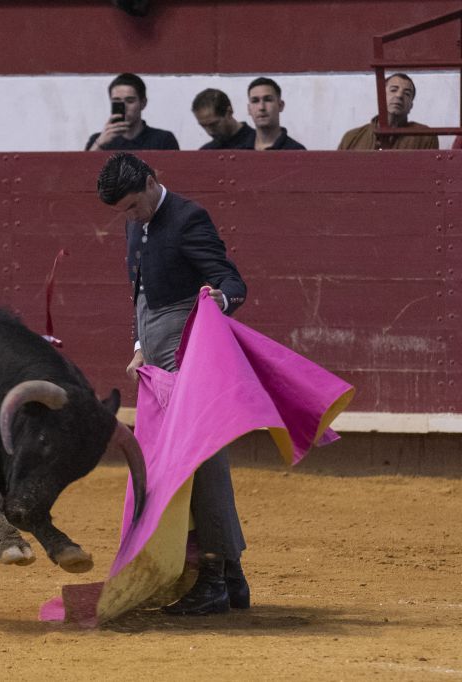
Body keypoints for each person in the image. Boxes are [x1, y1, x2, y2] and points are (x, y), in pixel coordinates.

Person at [97, 152, 250, 615]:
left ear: (151, 181)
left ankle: (213, 578)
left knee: (200, 463)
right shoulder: (134, 222)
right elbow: (140, 292)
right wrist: (139, 343)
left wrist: (219, 300)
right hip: (158, 364)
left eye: (132, 206)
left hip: (189, 358)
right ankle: (231, 578)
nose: (129, 216)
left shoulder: (187, 217)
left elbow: (231, 280)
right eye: (122, 210)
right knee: (173, 468)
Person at [338, 73, 439, 150]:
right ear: (381, 97)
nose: (399, 96)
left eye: (407, 94)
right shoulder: (352, 138)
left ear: (411, 105)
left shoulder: (424, 136)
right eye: (393, 90)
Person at [85, 73, 180, 151]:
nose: (124, 107)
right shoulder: (98, 140)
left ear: (143, 103)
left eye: (130, 101)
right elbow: (81, 172)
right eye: (117, 101)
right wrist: (99, 144)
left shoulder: (163, 140)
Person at [246, 77, 306, 150]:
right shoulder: (238, 150)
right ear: (249, 109)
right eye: (255, 101)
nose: (261, 107)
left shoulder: (296, 151)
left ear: (280, 105)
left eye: (268, 100)